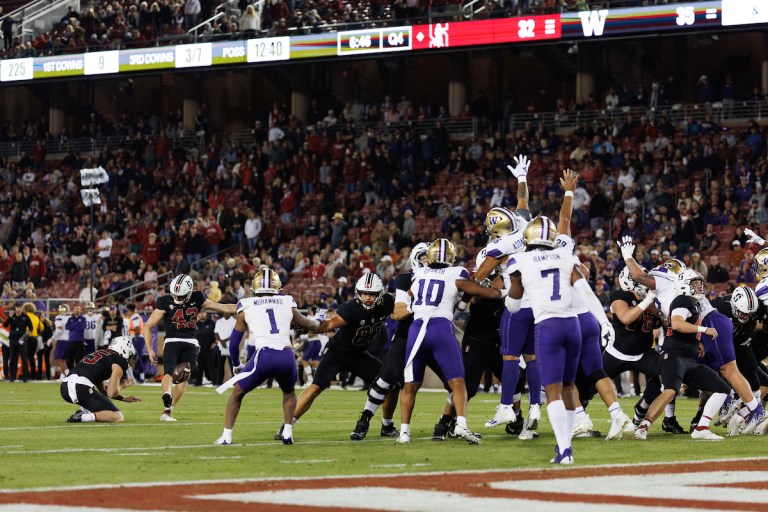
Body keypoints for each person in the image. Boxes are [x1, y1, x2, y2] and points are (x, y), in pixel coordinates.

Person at [505, 217, 615, 464]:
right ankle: (564, 445)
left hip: (548, 326)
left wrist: (513, 295)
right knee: (568, 386)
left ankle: (565, 450)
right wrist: (604, 322)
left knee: (553, 390)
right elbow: (586, 292)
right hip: (573, 325)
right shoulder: (566, 257)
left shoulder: (519, 260)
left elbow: (513, 305)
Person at [398, 238, 508, 445]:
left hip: (417, 327)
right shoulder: (457, 273)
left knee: (410, 384)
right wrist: (503, 292)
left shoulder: (420, 273)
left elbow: (410, 296)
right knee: (458, 382)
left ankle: (404, 432)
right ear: (451, 256)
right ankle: (461, 426)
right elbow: (481, 291)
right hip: (440, 327)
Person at [555, 171, 631, 440]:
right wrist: (568, 192)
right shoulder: (562, 248)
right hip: (587, 317)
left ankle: (580, 419)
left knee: (565, 378)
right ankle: (617, 414)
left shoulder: (532, 260)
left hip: (565, 322)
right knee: (596, 371)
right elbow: (564, 219)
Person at [274, 273, 396, 440]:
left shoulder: (387, 303)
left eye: (372, 294)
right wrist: (310, 324)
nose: (368, 298)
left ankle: (387, 425)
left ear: (380, 294)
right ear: (357, 292)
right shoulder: (351, 308)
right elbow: (329, 325)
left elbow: (402, 310)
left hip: (359, 355)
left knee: (389, 383)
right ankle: (287, 425)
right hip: (338, 353)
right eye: (364, 293)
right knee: (316, 387)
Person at [214, 268, 321, 445]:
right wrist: (319, 322)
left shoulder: (246, 304)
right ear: (277, 287)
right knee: (288, 392)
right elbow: (307, 324)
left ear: (255, 288)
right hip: (287, 355)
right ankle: (287, 432)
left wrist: (235, 365)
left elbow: (234, 343)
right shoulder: (287, 301)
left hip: (264, 355)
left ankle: (226, 436)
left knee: (236, 394)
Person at [474, 156, 541, 437]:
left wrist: (487, 277)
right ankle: (536, 407)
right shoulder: (524, 225)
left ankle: (505, 407)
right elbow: (523, 202)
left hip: (517, 305)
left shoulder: (499, 245)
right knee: (533, 358)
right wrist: (522, 178)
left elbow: (478, 275)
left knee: (511, 358)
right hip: (539, 303)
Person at [633, 270, 730, 441]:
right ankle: (643, 426)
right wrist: (703, 329)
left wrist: (696, 342)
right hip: (674, 356)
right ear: (684, 284)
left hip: (686, 358)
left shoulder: (691, 302)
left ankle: (701, 428)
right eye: (695, 283)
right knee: (670, 391)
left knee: (721, 389)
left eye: (700, 283)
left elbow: (680, 325)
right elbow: (677, 324)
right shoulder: (683, 299)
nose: (700, 286)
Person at [349, 242, 430, 441]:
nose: (428, 260)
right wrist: (427, 307)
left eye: (432, 256)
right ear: (415, 258)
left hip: (434, 335)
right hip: (407, 334)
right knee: (385, 379)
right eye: (424, 256)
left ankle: (450, 422)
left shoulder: (448, 277)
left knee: (456, 381)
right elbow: (398, 312)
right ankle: (364, 420)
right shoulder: (406, 279)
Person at [617, 235, 689, 434]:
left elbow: (662, 316)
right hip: (638, 347)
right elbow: (641, 279)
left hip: (669, 337)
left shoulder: (663, 290)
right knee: (670, 378)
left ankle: (657, 414)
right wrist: (628, 257)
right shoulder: (663, 283)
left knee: (667, 377)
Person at [143, 274, 236, 421]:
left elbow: (148, 326)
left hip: (183, 343)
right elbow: (223, 307)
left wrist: (150, 349)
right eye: (175, 294)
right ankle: (167, 404)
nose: (177, 298)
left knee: (178, 376)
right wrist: (247, 307)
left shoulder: (194, 297)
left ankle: (167, 405)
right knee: (175, 375)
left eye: (180, 296)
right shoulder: (173, 299)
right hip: (186, 343)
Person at [603, 267, 665, 430]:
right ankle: (579, 419)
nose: (645, 282)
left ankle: (642, 409)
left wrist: (657, 307)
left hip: (643, 353)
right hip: (616, 353)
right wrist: (648, 301)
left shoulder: (650, 299)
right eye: (640, 279)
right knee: (590, 381)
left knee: (668, 372)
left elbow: (663, 322)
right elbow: (626, 318)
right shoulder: (619, 295)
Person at [708, 286, 767, 435]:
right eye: (743, 313)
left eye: (749, 314)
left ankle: (754, 414)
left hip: (741, 340)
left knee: (751, 371)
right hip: (719, 343)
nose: (746, 316)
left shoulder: (758, 306)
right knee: (719, 374)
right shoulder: (718, 307)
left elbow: (758, 322)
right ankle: (733, 412)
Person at [61, 336, 141, 423]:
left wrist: (124, 398)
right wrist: (122, 385)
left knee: (97, 405)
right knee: (117, 416)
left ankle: (84, 414)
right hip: (81, 388)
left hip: (65, 387)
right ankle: (83, 417)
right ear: (124, 350)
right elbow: (111, 393)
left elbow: (103, 390)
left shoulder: (99, 354)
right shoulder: (120, 360)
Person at [3, 303, 33, 382]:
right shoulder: (12, 317)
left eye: (20, 307)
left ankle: (25, 378)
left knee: (24, 358)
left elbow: (31, 328)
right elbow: (5, 325)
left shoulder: (25, 317)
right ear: (15, 308)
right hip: (13, 340)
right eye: (17, 307)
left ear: (21, 308)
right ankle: (12, 377)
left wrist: (25, 335)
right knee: (13, 358)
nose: (18, 309)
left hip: (22, 340)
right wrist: (9, 317)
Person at [126, 304, 147, 383]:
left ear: (130, 310)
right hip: (138, 338)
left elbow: (137, 330)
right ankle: (139, 377)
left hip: (137, 339)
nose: (127, 312)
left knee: (137, 358)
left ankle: (142, 378)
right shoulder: (136, 316)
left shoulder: (135, 317)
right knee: (135, 359)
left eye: (128, 310)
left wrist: (133, 338)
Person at [214, 310, 237, 384]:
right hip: (221, 346)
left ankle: (234, 383)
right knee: (220, 365)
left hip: (231, 345)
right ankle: (218, 382)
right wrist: (221, 341)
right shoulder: (219, 321)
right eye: (225, 312)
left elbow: (235, 333)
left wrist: (225, 340)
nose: (226, 313)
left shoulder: (234, 321)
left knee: (232, 365)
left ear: (230, 312)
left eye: (227, 312)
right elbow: (216, 333)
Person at [51, 304, 71, 381]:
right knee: (63, 359)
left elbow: (59, 329)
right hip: (69, 339)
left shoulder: (59, 317)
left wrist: (52, 338)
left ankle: (67, 374)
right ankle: (62, 376)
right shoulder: (69, 317)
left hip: (61, 339)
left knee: (59, 358)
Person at [65, 304, 87, 371]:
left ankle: (79, 372)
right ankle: (70, 372)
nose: (77, 310)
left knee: (79, 358)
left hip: (79, 341)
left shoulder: (83, 318)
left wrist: (73, 327)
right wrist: (77, 324)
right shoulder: (70, 319)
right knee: (70, 358)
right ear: (73, 310)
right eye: (76, 309)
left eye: (78, 309)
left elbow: (82, 327)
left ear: (80, 310)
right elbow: (67, 327)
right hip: (71, 341)